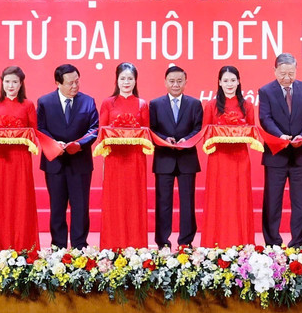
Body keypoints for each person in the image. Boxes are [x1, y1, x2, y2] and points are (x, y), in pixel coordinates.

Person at [258, 53, 302, 247]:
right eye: (282, 73)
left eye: (290, 73)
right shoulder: (265, 91)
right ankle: (272, 242)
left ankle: (298, 242)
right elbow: (265, 118)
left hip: (300, 155)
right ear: (275, 70)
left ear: (296, 70)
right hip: (276, 154)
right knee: (272, 202)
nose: (286, 78)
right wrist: (280, 136)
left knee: (300, 202)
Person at [37, 63, 99, 249]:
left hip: (80, 162)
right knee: (57, 207)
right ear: (58, 83)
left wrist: (78, 144)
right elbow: (40, 128)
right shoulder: (45, 102)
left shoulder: (88, 101)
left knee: (80, 208)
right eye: (70, 83)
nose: (75, 86)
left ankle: (80, 246)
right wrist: (55, 144)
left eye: (77, 82)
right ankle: (58, 247)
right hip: (55, 163)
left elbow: (94, 129)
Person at [201, 65, 256, 247]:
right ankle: (215, 243)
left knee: (239, 200)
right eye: (225, 81)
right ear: (219, 83)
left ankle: (241, 242)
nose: (229, 84)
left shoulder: (247, 106)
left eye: (233, 80)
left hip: (240, 159)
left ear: (239, 81)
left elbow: (251, 132)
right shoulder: (211, 106)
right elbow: (205, 135)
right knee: (219, 200)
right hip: (218, 160)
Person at [149, 65, 203, 248]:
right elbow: (152, 129)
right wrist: (165, 139)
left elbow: (198, 128)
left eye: (179, 81)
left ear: (186, 82)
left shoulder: (195, 104)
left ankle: (186, 242)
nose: (175, 84)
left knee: (187, 203)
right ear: (165, 82)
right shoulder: (155, 104)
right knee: (163, 203)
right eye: (172, 81)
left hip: (187, 159)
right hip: (164, 159)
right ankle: (162, 242)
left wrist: (185, 140)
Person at [0, 66, 39, 251]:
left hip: (21, 159)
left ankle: (23, 244)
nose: (11, 85)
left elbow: (34, 133)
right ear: (2, 83)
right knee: (1, 199)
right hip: (0, 159)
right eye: (7, 81)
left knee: (20, 200)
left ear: (21, 84)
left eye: (15, 82)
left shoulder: (28, 105)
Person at [99, 62, 150, 249]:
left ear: (135, 81)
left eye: (130, 78)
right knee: (115, 201)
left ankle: (136, 246)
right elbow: (101, 132)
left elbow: (147, 133)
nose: (126, 82)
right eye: (123, 78)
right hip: (114, 159)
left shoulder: (142, 104)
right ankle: (113, 245)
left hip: (135, 160)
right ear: (117, 80)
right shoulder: (108, 103)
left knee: (134, 201)